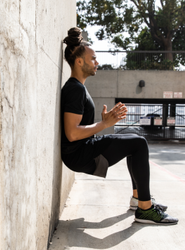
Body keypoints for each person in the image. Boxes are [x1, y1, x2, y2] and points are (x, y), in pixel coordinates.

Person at [60, 27, 178, 225]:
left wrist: (102, 122)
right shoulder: (74, 89)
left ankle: (138, 199)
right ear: (79, 61)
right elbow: (71, 133)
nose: (97, 62)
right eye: (93, 59)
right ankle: (145, 209)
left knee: (134, 140)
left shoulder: (78, 87)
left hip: (83, 149)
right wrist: (104, 124)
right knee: (139, 144)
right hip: (79, 154)